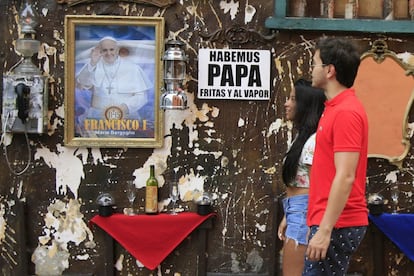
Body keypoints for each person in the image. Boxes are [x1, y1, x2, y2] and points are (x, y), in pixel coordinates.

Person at [304, 37, 369, 275]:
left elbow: (345, 175)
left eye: (315, 63)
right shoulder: (335, 108)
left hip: (338, 223)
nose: (311, 69)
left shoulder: (346, 112)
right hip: (330, 221)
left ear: (330, 70)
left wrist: (324, 229)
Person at [277, 79, 326, 276]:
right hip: (297, 210)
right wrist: (288, 215)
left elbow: (320, 187)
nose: (286, 103)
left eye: (293, 99)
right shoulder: (303, 138)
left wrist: (314, 226)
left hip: (306, 212)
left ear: (305, 105)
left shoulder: (313, 142)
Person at [76, 36, 152, 131]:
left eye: (112, 49)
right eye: (104, 50)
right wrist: (92, 63)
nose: (108, 53)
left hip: (126, 119)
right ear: (100, 51)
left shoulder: (132, 68)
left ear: (117, 50)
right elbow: (82, 83)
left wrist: (124, 108)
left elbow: (141, 96)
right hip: (97, 119)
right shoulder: (93, 65)